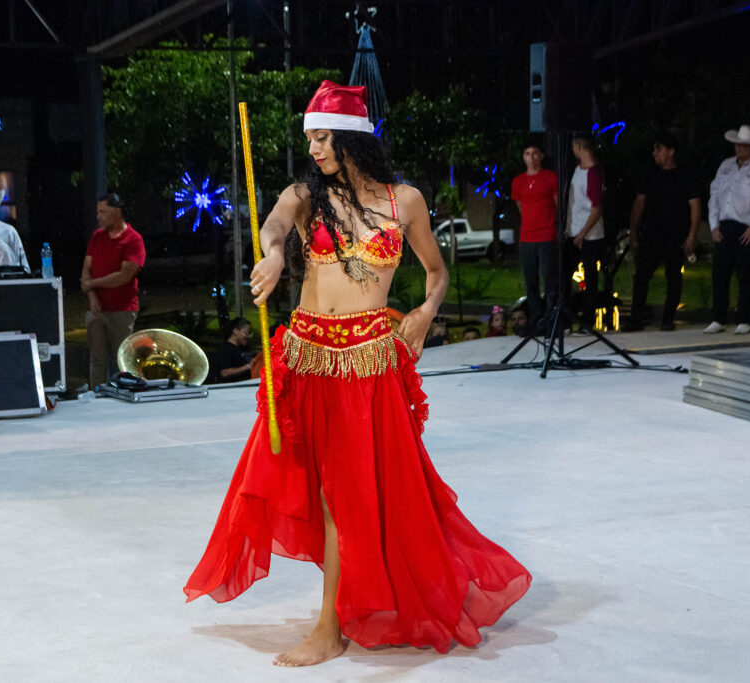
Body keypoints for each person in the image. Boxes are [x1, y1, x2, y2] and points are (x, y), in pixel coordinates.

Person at [183, 81, 530, 667]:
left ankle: (330, 626)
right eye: (310, 138)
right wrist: (273, 254)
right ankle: (335, 616)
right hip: (307, 361)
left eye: (323, 137)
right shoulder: (305, 196)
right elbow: (274, 225)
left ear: (352, 140)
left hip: (367, 367)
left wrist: (425, 312)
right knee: (318, 490)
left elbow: (437, 273)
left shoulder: (405, 201)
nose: (313, 149)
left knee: (346, 495)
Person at [624, 131, 701, 332]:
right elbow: (640, 202)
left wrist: (692, 234)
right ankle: (636, 318)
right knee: (642, 275)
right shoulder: (651, 173)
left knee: (673, 275)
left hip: (675, 233)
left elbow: (695, 205)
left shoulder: (685, 175)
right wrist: (633, 229)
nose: (655, 154)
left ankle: (668, 318)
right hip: (652, 232)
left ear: (671, 151)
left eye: (659, 149)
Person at [705, 124, 750, 334]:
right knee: (720, 273)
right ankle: (719, 318)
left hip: (747, 227)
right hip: (724, 225)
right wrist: (713, 224)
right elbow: (714, 195)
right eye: (737, 145)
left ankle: (745, 319)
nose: (739, 149)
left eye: (744, 146)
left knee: (746, 273)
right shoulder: (726, 165)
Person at [81, 193, 146, 388]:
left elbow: (124, 276)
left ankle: (124, 392)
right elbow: (86, 271)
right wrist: (92, 295)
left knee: (121, 359)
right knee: (97, 358)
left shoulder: (133, 239)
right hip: (96, 309)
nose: (98, 217)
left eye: (103, 212)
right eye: (98, 212)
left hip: (122, 309)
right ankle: (98, 393)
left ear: (117, 212)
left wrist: (93, 284)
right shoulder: (97, 237)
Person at [511, 140, 559, 329]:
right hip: (527, 237)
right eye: (527, 154)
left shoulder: (550, 178)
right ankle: (536, 319)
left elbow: (557, 204)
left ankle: (551, 319)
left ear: (541, 156)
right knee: (531, 282)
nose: (531, 157)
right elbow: (520, 206)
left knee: (549, 280)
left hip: (546, 236)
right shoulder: (518, 181)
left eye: (534, 153)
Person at [566, 133, 605, 334]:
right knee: (566, 273)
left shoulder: (594, 173)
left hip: (589, 234)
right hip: (573, 229)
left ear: (580, 147)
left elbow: (596, 208)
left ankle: (588, 319)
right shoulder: (578, 169)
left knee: (590, 277)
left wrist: (582, 233)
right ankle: (567, 317)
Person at [218, 317, 254, 382]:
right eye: (246, 333)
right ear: (235, 331)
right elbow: (224, 373)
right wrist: (248, 367)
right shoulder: (226, 349)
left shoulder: (244, 347)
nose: (248, 336)